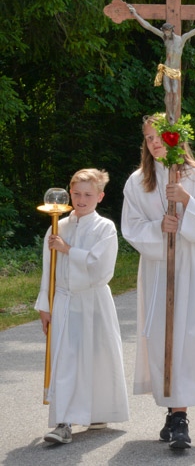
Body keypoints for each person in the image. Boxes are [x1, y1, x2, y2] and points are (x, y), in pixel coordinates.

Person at [122, 114, 195, 449]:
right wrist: (159, 229)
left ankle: (179, 416)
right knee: (161, 335)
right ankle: (173, 409)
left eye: (160, 136)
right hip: (158, 267)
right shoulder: (138, 181)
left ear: (175, 139)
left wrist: (186, 200)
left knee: (189, 333)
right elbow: (131, 225)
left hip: (192, 262)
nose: (155, 143)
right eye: (149, 138)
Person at [36, 169, 129, 445]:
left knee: (97, 355)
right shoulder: (58, 226)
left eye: (88, 194)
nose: (81, 199)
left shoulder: (105, 228)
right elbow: (47, 270)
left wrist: (69, 250)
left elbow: (102, 268)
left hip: (93, 299)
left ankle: (97, 410)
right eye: (76, 193)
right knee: (65, 358)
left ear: (99, 196)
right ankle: (63, 422)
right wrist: (45, 303)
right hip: (64, 299)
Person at [126, 4, 195, 121]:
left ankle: (173, 113)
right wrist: (135, 14)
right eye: (164, 31)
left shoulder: (181, 39)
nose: (166, 33)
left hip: (175, 70)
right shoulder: (164, 38)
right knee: (168, 91)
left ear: (171, 30)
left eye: (167, 31)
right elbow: (149, 27)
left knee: (175, 92)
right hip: (166, 69)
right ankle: (169, 113)